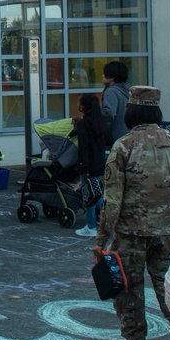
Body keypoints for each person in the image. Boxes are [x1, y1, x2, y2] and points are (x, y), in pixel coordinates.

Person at [93, 86, 170, 340]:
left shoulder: (123, 146)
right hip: (168, 231)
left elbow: (113, 199)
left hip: (130, 232)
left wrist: (102, 238)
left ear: (131, 112)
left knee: (128, 290)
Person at [73, 93, 108, 238]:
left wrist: (84, 168)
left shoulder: (83, 124)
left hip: (88, 166)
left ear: (83, 106)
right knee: (97, 195)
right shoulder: (100, 122)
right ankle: (111, 218)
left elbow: (84, 147)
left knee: (90, 196)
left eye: (79, 102)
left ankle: (91, 226)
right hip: (100, 162)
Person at [101, 61, 130, 145]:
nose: (102, 75)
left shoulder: (111, 91)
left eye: (104, 73)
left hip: (115, 138)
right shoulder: (127, 91)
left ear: (112, 77)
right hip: (127, 136)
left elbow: (108, 114)